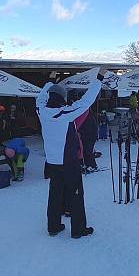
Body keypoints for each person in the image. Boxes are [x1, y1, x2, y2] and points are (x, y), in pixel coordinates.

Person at [36, 74, 102, 239]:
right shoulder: (64, 113)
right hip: (69, 161)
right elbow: (86, 102)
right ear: (62, 99)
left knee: (55, 194)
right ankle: (78, 229)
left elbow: (40, 97)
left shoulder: (41, 111)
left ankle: (54, 226)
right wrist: (99, 79)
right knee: (76, 194)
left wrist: (50, 81)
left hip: (52, 162)